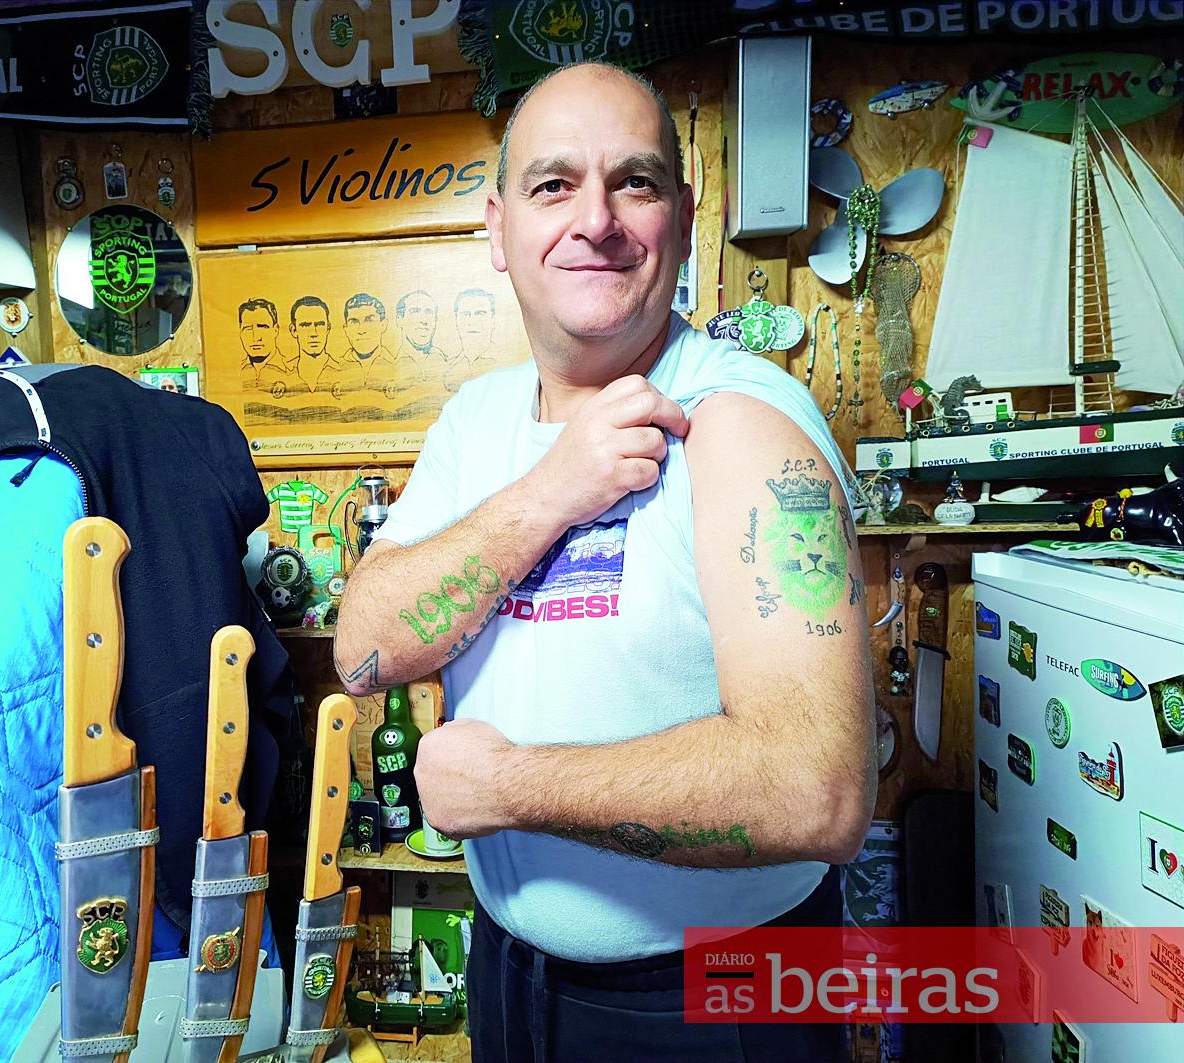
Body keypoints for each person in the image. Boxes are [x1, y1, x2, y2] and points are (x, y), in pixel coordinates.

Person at [334, 61, 872, 1063]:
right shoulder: (477, 421)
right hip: (512, 974)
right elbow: (363, 651)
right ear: (497, 229)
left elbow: (817, 791)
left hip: (718, 996)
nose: (595, 220)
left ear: (684, 216)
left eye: (634, 182)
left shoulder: (741, 423)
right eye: (553, 185)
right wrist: (553, 489)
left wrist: (508, 789)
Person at [339, 292, 395, 390]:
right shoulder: (334, 368)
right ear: (346, 329)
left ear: (383, 325)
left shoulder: (397, 365)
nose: (361, 330)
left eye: (369, 320)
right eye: (354, 322)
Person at [288, 295, 340, 393]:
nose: (313, 333)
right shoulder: (283, 372)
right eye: (305, 325)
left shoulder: (342, 371)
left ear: (328, 328)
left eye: (319, 325)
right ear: (294, 330)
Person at [393, 289, 445, 384]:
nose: (423, 320)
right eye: (415, 311)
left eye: (429, 312)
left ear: (435, 321)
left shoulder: (448, 365)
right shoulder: (390, 365)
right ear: (399, 320)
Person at [236, 298, 287, 393]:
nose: (256, 337)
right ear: (240, 332)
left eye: (263, 327)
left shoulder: (293, 371)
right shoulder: (232, 373)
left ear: (275, 330)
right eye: (248, 329)